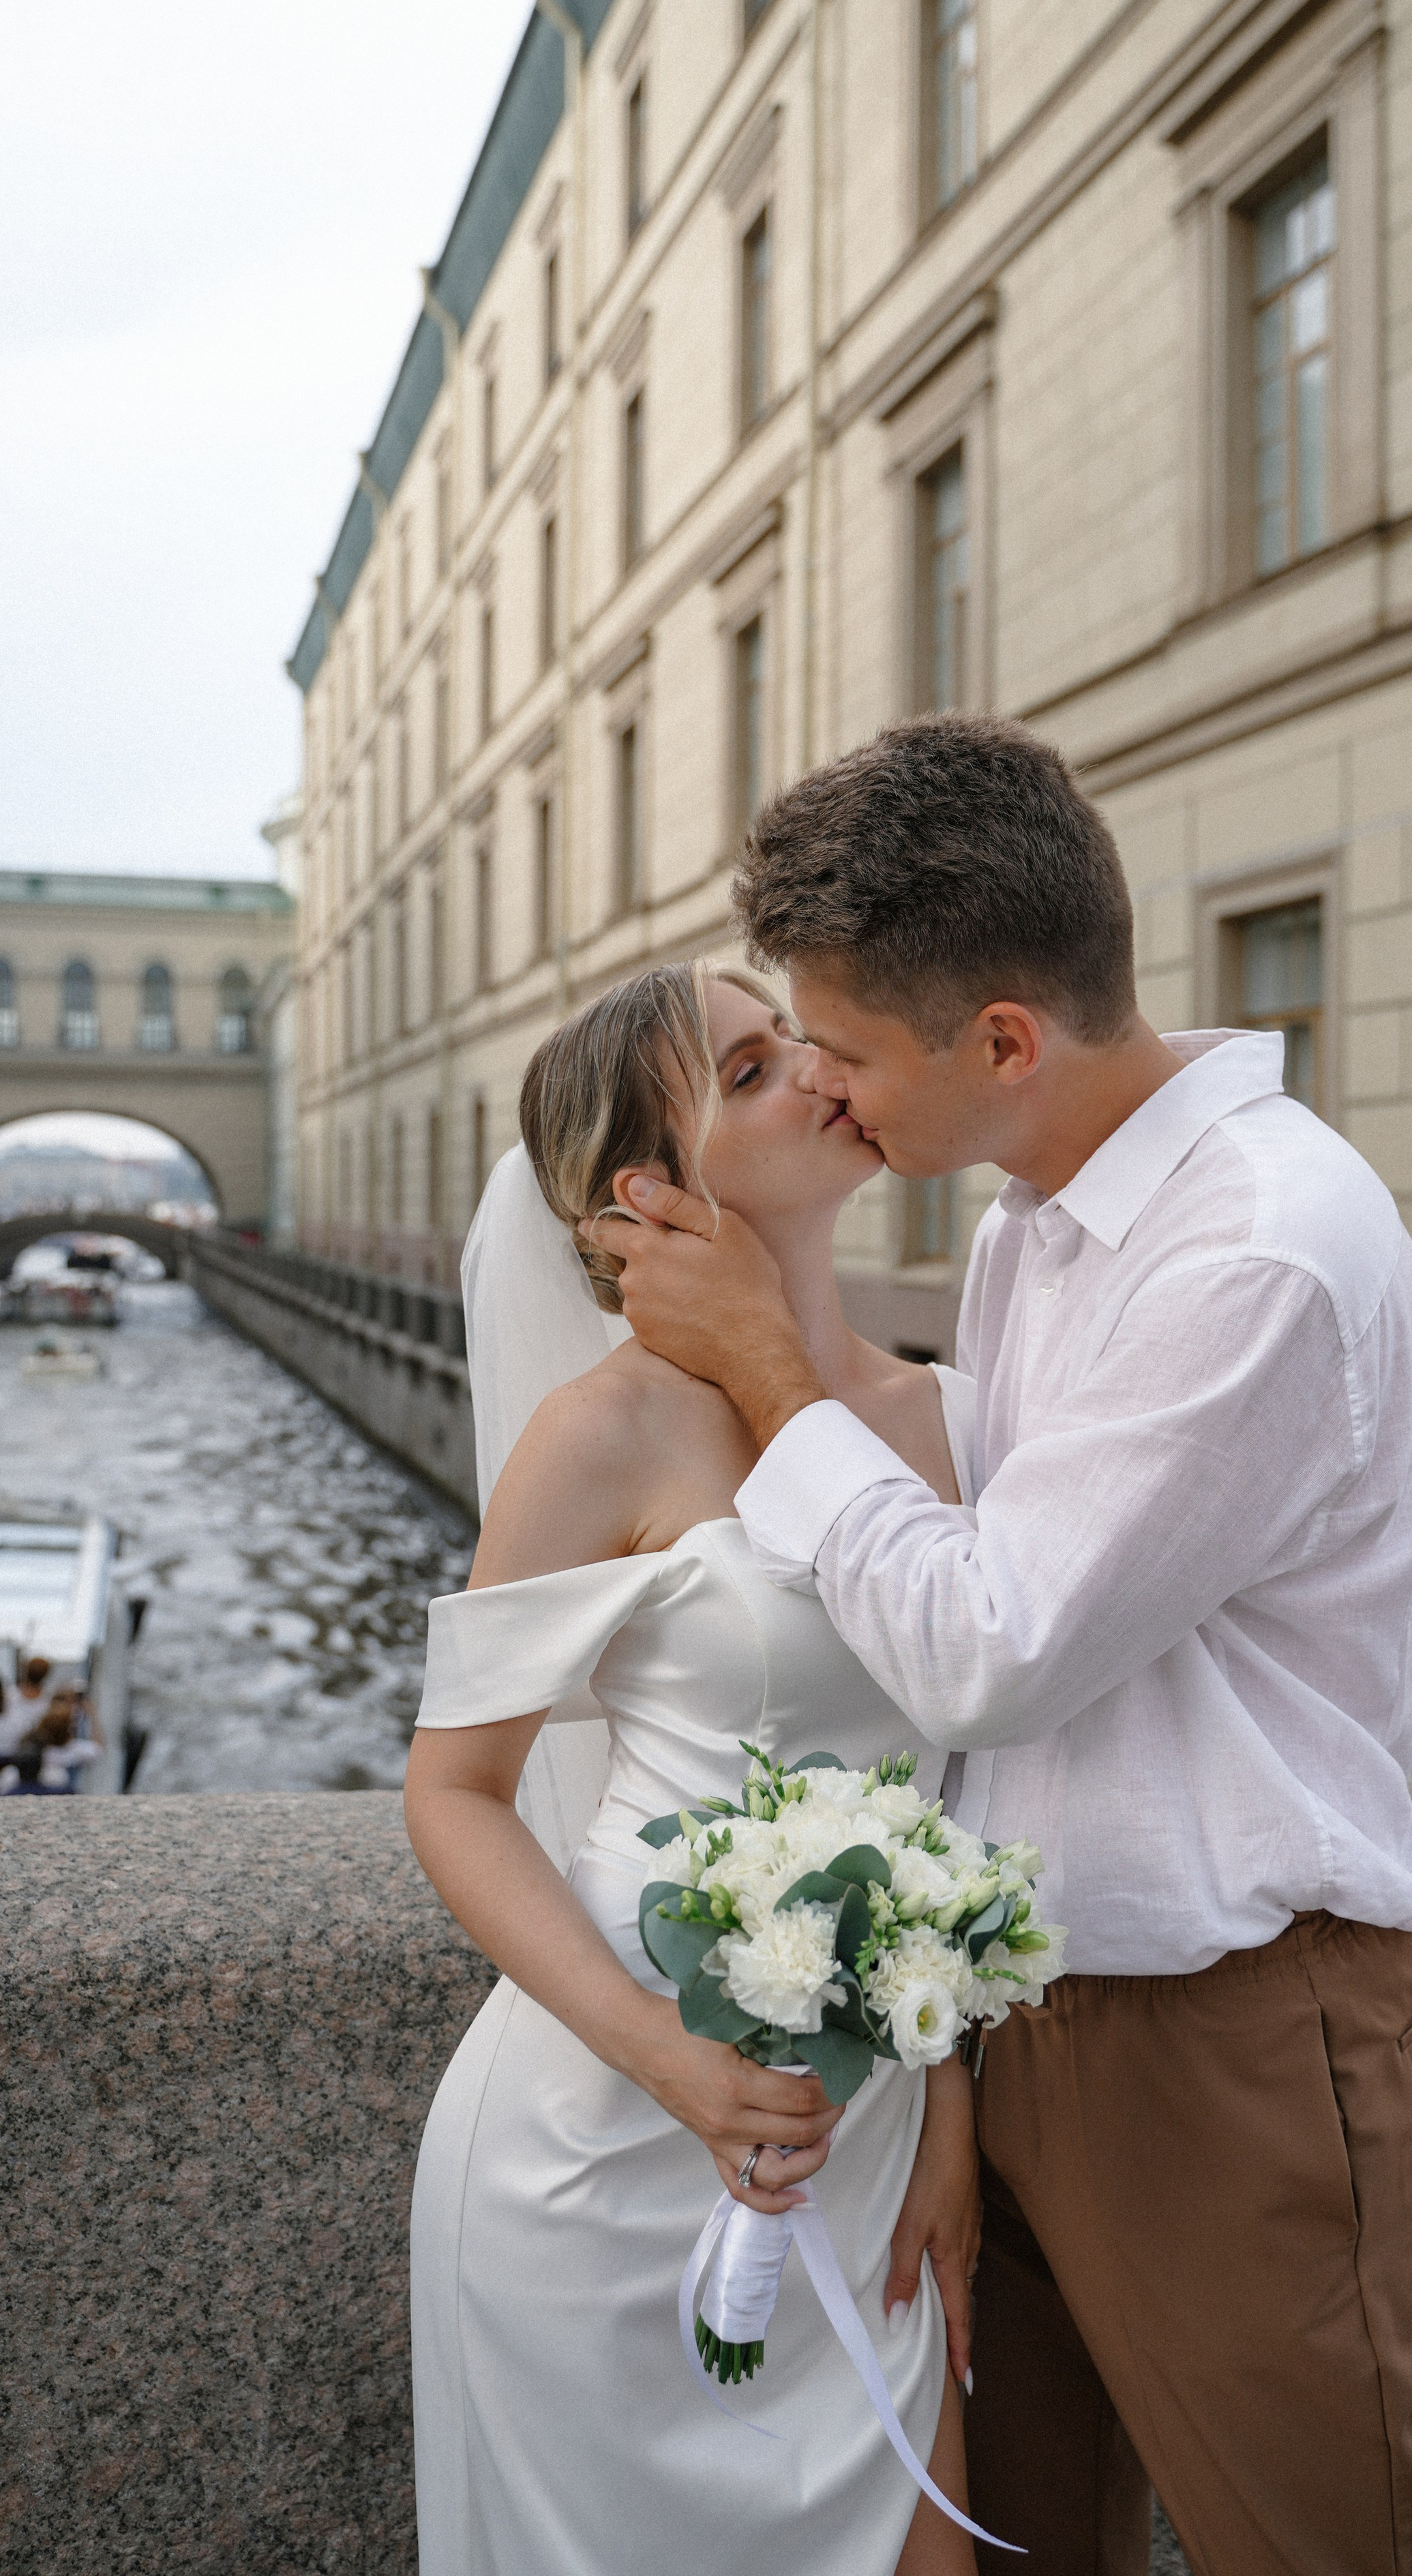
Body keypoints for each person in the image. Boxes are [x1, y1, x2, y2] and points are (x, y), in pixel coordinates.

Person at [603, 712, 1412, 2576]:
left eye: (844, 1052)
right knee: (1018, 2551)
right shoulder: (1031, 1224)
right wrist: (958, 2080)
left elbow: (988, 1646)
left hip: (1232, 2035)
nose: (833, 1097)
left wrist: (764, 1364)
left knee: (1315, 2551)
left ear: (1003, 1041)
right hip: (1012, 2019)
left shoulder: (1257, 1250)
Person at [403, 963, 987, 2576]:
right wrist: (658, 2051)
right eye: (743, 1071)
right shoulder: (601, 1434)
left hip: (862, 2142)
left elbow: (957, 1802)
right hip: (599, 2152)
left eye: (791, 1039)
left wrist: (945, 2113)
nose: (812, 1069)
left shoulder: (949, 1420)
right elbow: (452, 1792)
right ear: (642, 1198)